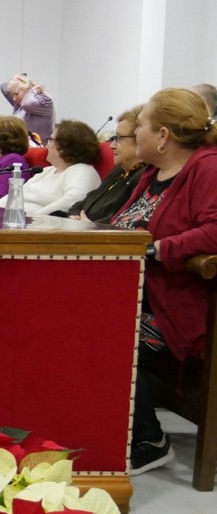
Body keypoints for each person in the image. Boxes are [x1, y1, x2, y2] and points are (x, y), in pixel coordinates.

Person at [110, 88, 217, 474]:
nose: (133, 132)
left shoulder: (208, 167)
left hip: (177, 309)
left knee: (105, 335)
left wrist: (158, 250)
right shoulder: (152, 174)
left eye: (140, 125)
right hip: (133, 295)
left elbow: (214, 230)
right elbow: (120, 226)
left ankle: (149, 439)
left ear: (163, 135)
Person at [0, 120, 100, 215]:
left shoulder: (82, 171)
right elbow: (15, 196)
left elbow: (71, 202)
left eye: (50, 140)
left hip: (37, 227)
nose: (47, 145)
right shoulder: (46, 171)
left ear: (63, 147)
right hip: (14, 222)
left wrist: (31, 219)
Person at [66, 106, 146, 223]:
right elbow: (79, 205)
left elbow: (122, 220)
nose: (112, 145)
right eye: (114, 138)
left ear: (140, 139)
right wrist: (74, 217)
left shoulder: (144, 177)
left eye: (119, 138)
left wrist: (91, 226)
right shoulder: (119, 170)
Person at [0, 73, 55, 145]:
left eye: (16, 94)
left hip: (39, 149)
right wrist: (20, 78)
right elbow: (3, 87)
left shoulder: (44, 101)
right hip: (23, 147)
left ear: (28, 89)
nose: (14, 99)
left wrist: (33, 90)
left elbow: (27, 104)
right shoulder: (20, 103)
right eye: (12, 95)